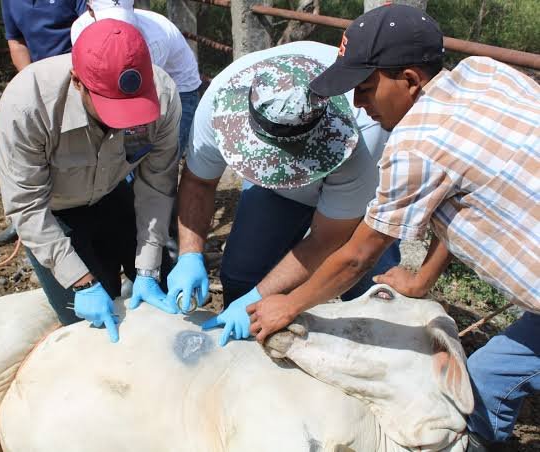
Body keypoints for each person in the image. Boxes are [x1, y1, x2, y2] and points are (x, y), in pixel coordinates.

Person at [248, 5, 539, 450]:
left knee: (483, 386)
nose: (358, 104)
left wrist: (287, 306)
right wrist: (421, 281)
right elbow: (462, 201)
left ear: (409, 79)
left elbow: (358, 256)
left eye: (365, 89)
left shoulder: (415, 145)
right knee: (488, 378)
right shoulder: (484, 73)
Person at [166, 41, 401, 346]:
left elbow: (327, 239)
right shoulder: (220, 101)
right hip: (273, 193)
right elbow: (199, 183)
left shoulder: (362, 134)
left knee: (368, 292)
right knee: (241, 276)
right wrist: (189, 254)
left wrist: (266, 297)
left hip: (355, 195)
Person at [0, 19, 182, 343]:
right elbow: (27, 206)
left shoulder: (163, 97)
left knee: (162, 298)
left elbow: (156, 183)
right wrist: (83, 282)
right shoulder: (28, 106)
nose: (125, 121)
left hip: (113, 194)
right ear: (78, 82)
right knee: (93, 329)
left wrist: (148, 269)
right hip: (56, 212)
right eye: (113, 108)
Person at [0, 0, 88, 246]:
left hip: (77, 77)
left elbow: (87, 30)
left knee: (82, 147)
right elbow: (16, 41)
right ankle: (29, 216)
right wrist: (32, 82)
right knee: (32, 148)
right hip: (40, 82)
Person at [71, 0, 202, 154]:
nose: (117, 30)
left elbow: (139, 93)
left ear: (133, 8)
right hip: (141, 79)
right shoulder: (80, 29)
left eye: (123, 21)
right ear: (90, 10)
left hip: (179, 89)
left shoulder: (154, 40)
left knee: (164, 151)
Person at [1, 0, 87, 71]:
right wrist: (30, 78)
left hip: (75, 65)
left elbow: (89, 29)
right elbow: (17, 42)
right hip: (40, 72)